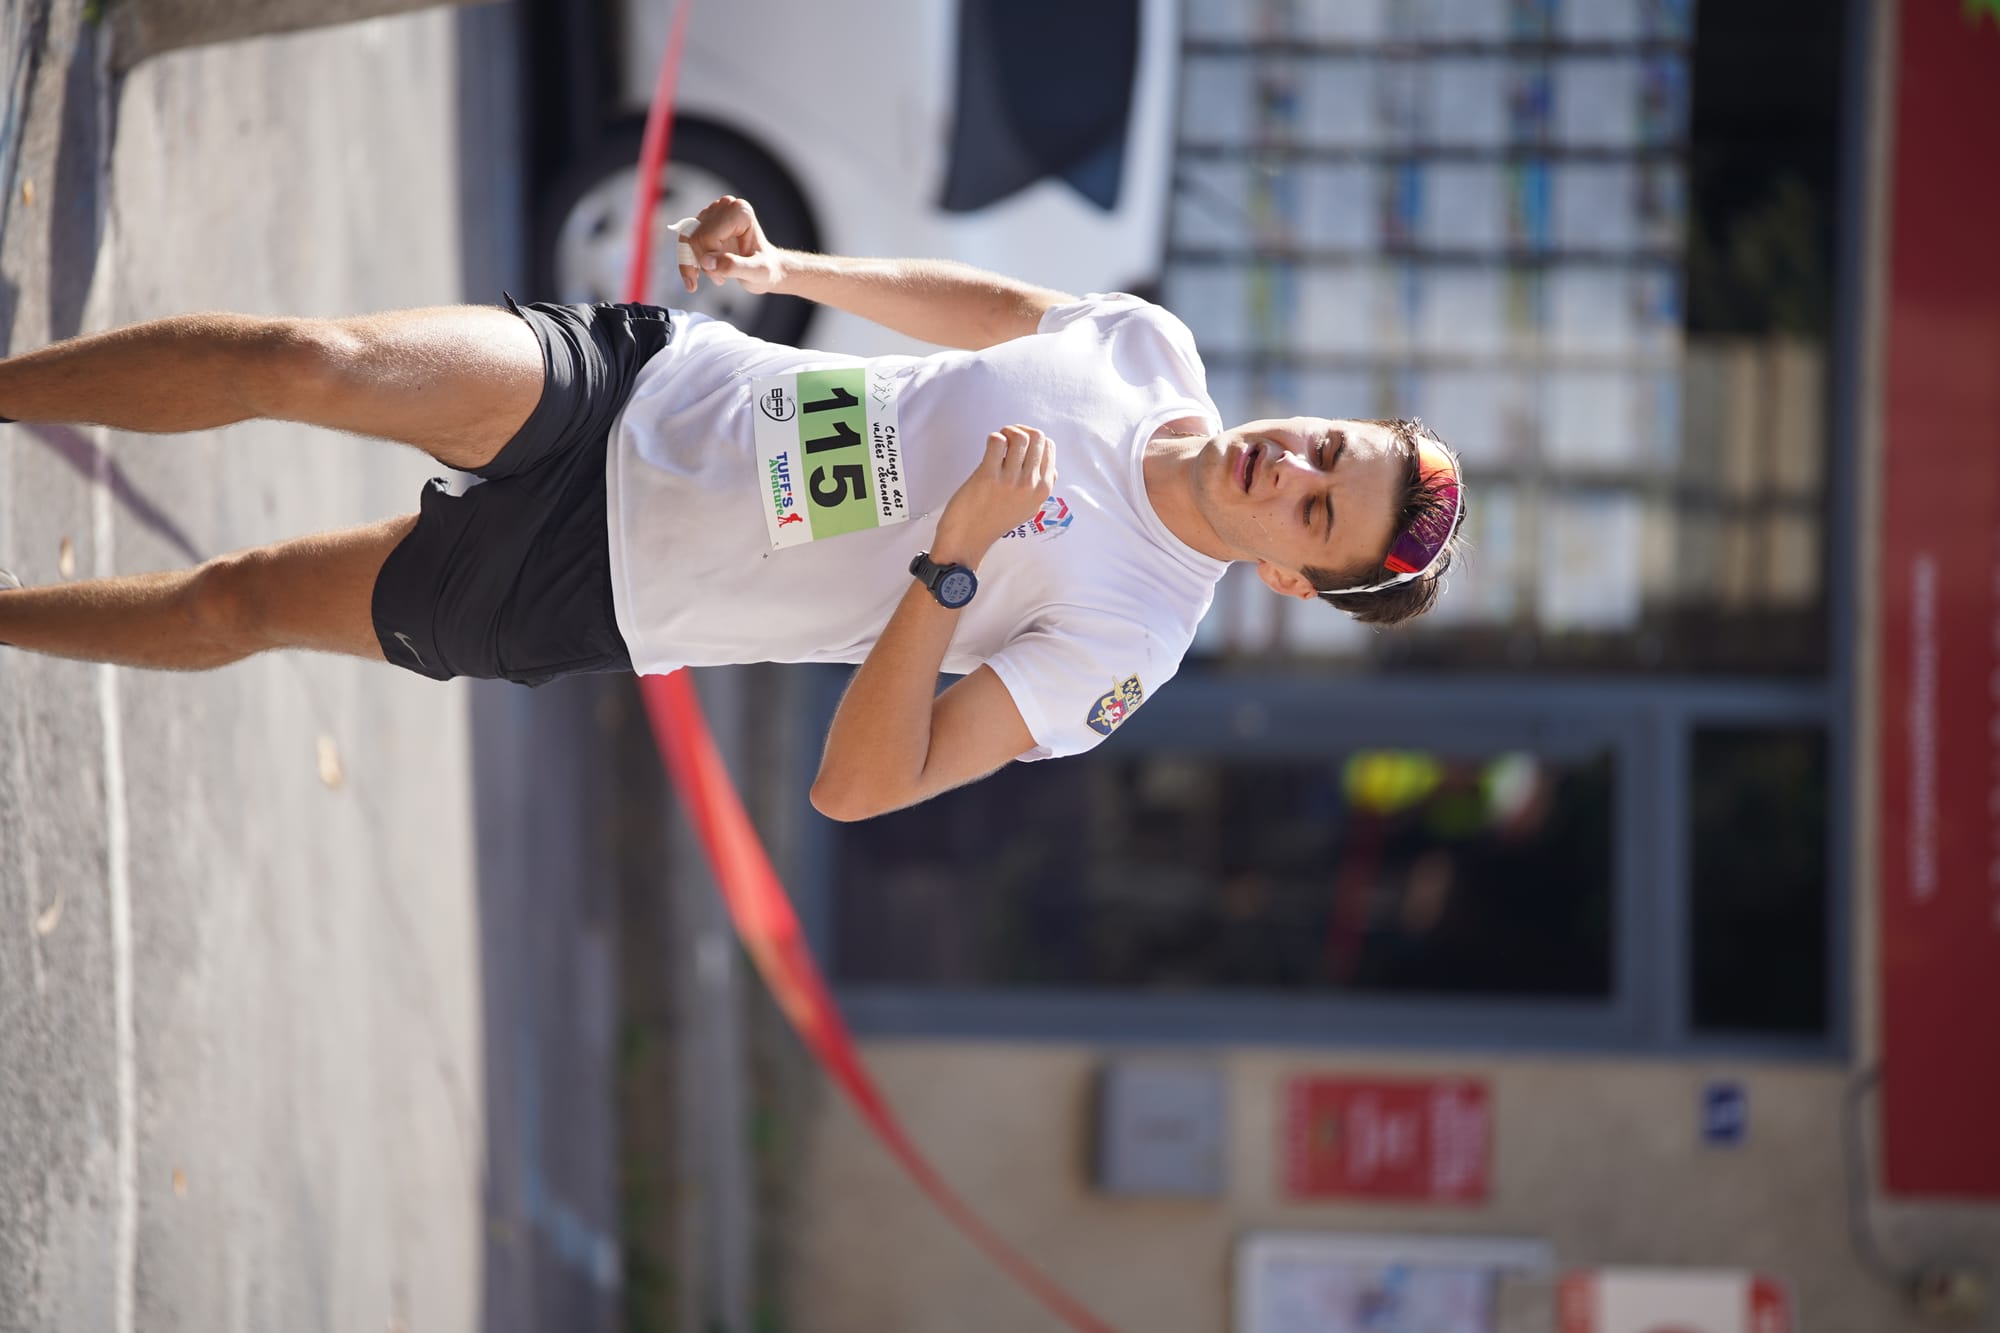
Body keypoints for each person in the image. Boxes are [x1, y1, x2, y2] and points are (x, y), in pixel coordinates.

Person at [0, 195, 1464, 820]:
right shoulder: (1155, 351)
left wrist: (950, 568)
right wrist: (796, 266)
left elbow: (861, 787)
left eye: (1322, 512)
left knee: (239, 600)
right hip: (656, 388)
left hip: (605, 588)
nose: (1301, 466)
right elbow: (999, 311)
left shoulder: (1127, 637)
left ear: (1290, 577)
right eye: (1333, 445)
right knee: (302, 359)